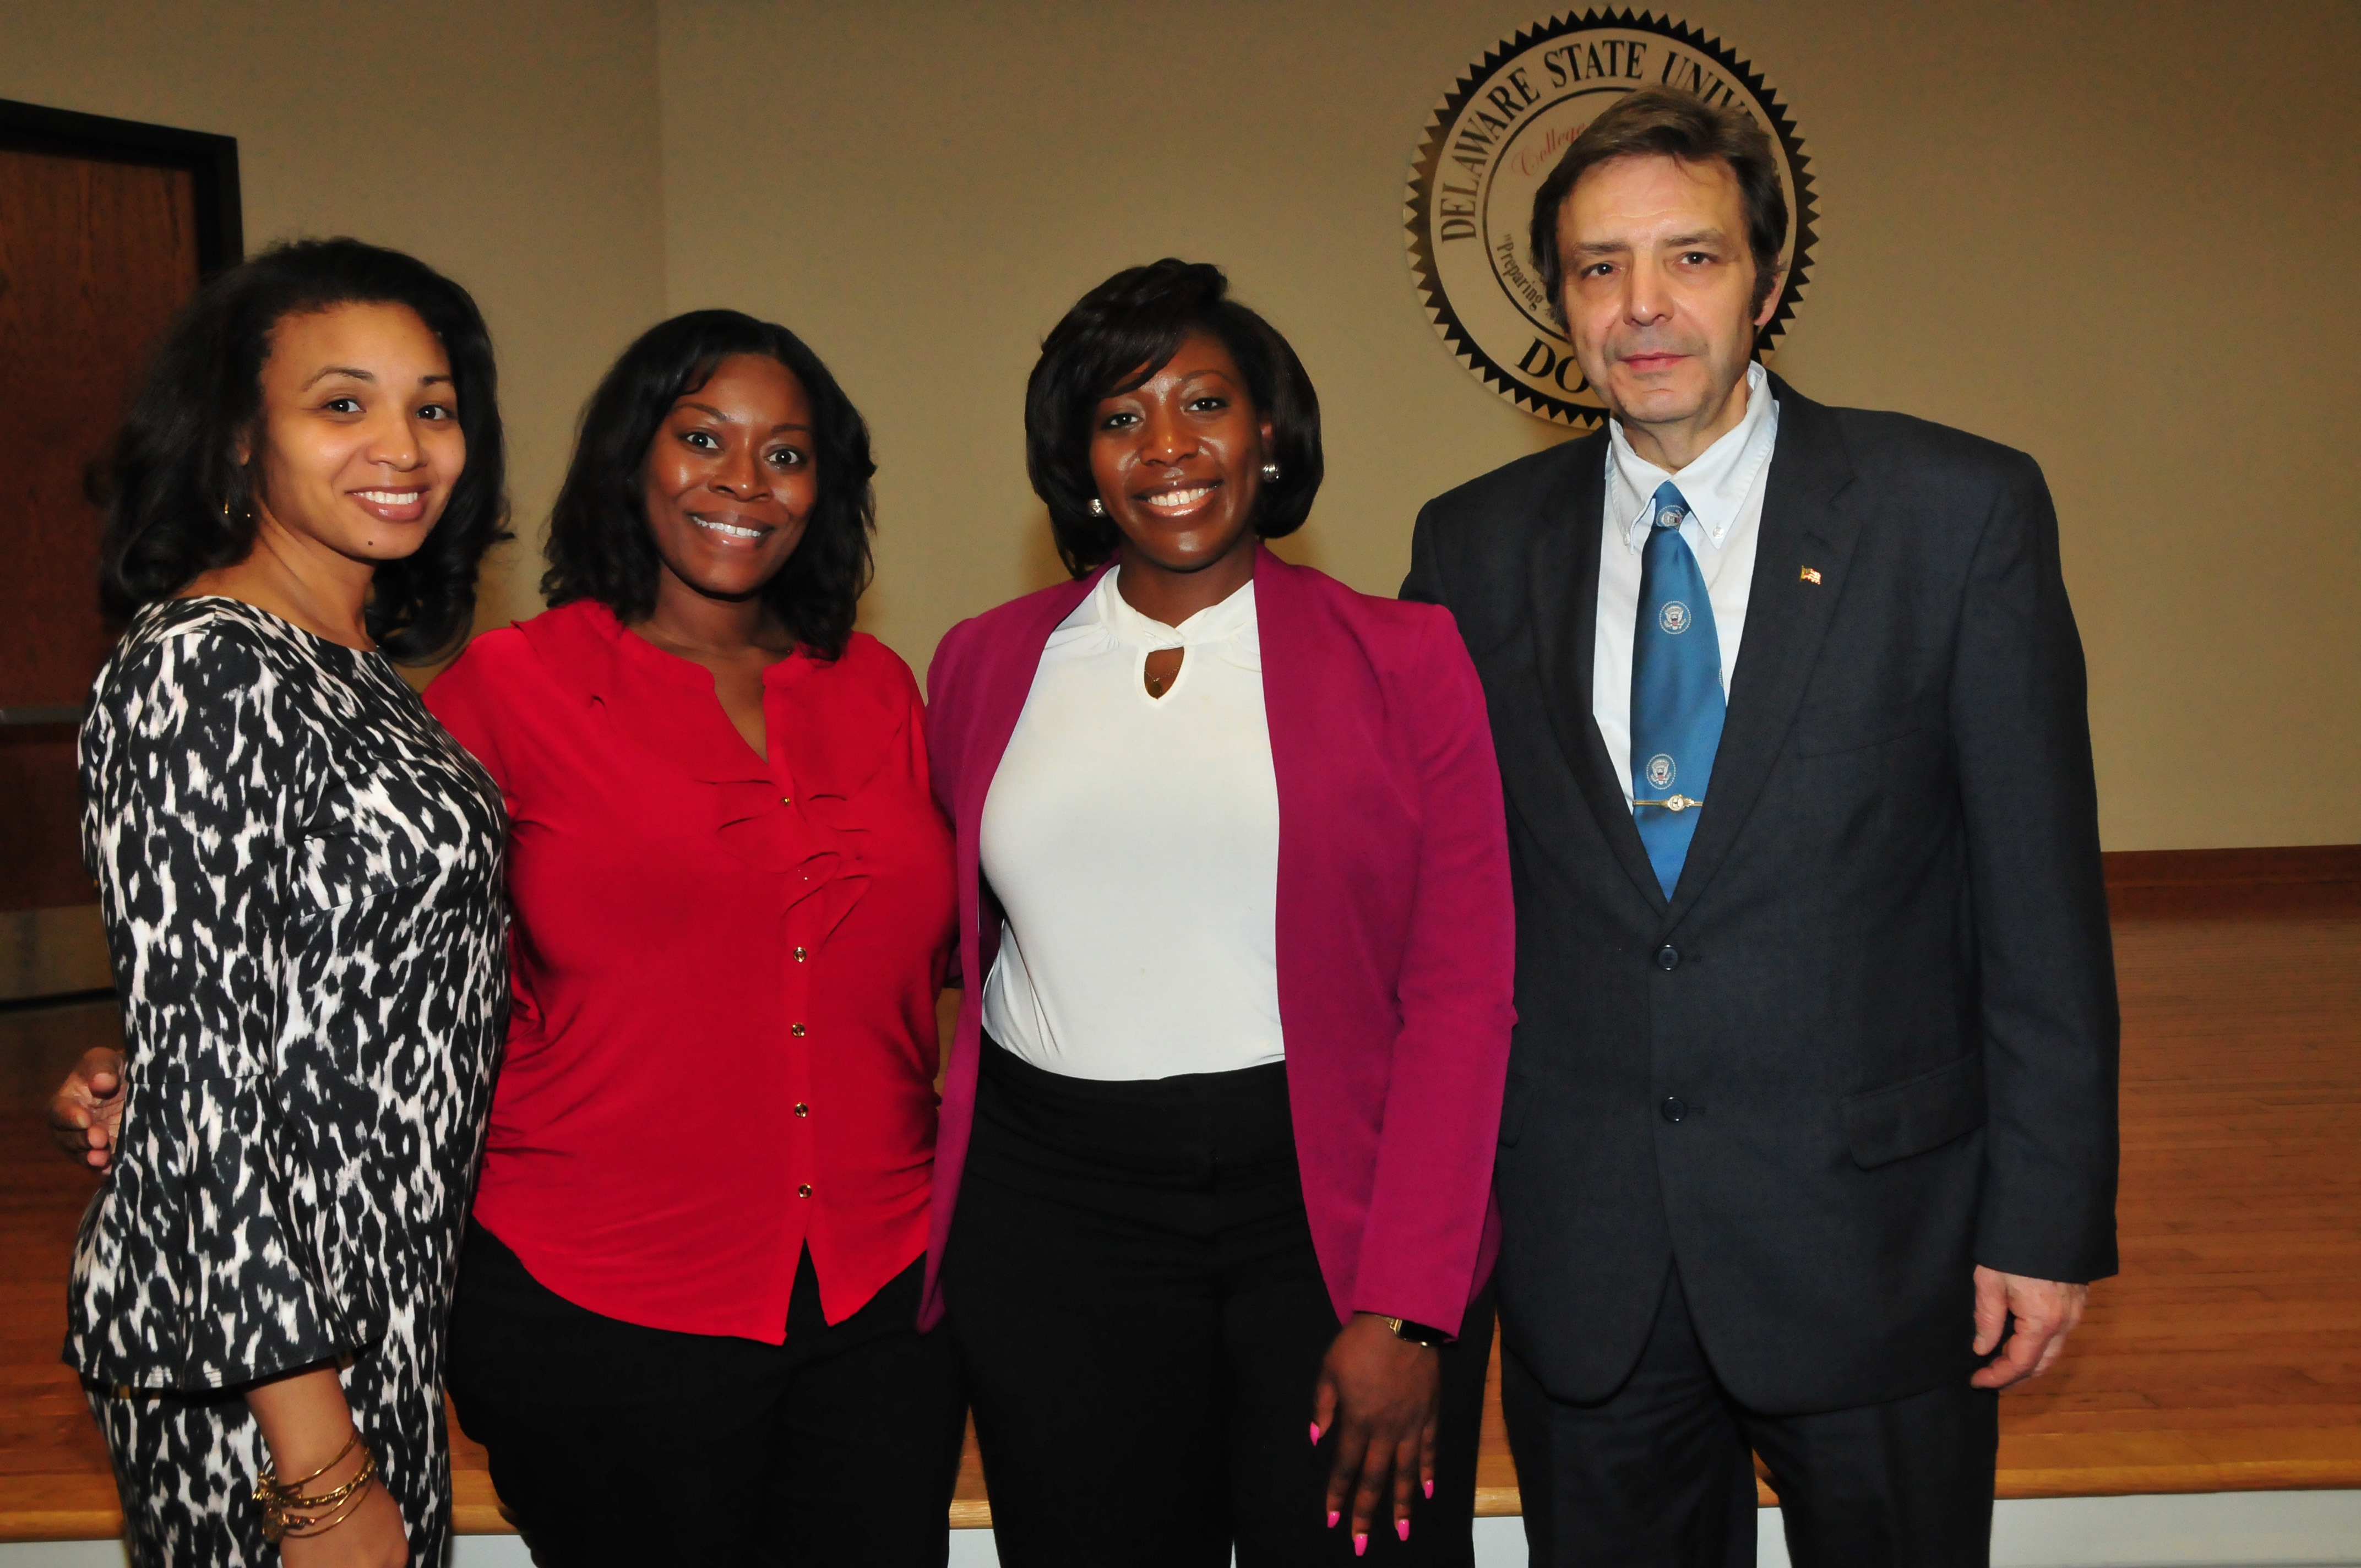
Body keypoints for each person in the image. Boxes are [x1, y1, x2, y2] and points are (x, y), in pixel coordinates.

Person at [1401, 86, 2120, 1567]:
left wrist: (2044, 1223)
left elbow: (2038, 904)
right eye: (1600, 268)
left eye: (1692, 259)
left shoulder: (1954, 513)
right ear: (1559, 304)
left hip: (1879, 1245)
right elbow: (1441, 907)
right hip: (1588, 1261)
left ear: (1770, 282)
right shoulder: (1468, 548)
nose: (1643, 306)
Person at [923, 259, 1515, 1567]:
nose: (1168, 447)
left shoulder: (1403, 658)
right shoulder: (983, 660)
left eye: (1204, 402)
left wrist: (1406, 1308)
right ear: (1078, 459)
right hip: (1051, 1219)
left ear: (1268, 432)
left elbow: (1464, 997)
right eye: (1121, 416)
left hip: (1319, 1215)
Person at [419, 310, 966, 1566]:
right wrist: (162, 1049)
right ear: (631, 457)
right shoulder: (509, 687)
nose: (742, 480)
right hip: (597, 1300)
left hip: (882, 1300)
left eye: (786, 453)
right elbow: (367, 937)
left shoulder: (879, 688)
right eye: (702, 438)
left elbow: (968, 950)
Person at [63, 237, 513, 1566]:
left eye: (433, 405)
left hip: (364, 1312)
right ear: (238, 441)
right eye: (342, 403)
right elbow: (205, 1092)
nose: (405, 443)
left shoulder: (349, 661)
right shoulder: (208, 663)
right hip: (257, 1358)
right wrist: (316, 1463)